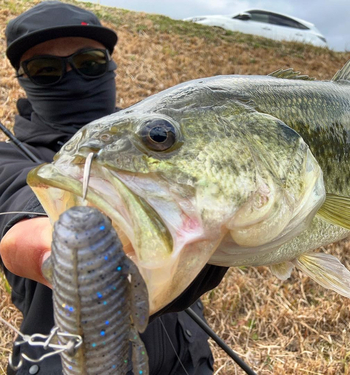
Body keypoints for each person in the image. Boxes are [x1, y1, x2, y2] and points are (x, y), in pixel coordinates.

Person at [0, 2, 228, 374]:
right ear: (23, 81)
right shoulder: (7, 159)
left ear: (109, 65)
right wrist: (60, 250)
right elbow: (20, 214)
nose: (72, 77)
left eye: (89, 62)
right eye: (45, 69)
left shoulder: (161, 140)